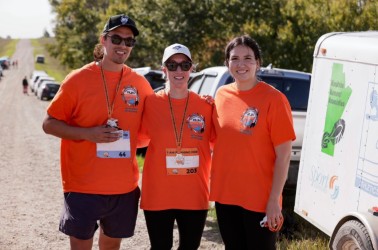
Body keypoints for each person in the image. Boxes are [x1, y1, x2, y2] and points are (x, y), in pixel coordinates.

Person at [42, 14, 153, 250]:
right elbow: (49, 124)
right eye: (116, 38)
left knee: (111, 247)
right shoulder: (78, 80)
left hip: (124, 187)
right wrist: (87, 133)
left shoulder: (140, 84)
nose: (122, 45)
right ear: (103, 40)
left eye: (129, 41)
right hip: (83, 186)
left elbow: (155, 122)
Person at [210, 35, 296, 250]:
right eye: (235, 58)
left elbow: (284, 156)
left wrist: (274, 201)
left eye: (248, 58)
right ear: (227, 63)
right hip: (226, 196)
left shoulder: (274, 100)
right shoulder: (221, 95)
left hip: (260, 200)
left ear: (258, 63)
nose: (241, 64)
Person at [138, 43, 214, 249]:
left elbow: (225, 143)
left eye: (184, 65)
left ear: (191, 69)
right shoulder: (150, 103)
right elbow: (135, 138)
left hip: (194, 193)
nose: (178, 70)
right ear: (164, 70)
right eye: (172, 65)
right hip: (158, 193)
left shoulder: (207, 106)